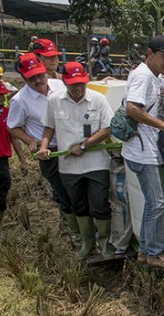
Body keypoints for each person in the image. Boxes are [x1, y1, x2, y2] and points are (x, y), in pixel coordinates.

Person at [37, 62, 114, 259]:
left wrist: (83, 146)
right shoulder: (54, 100)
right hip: (69, 166)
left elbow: (106, 128)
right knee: (78, 205)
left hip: (96, 163)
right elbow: (49, 128)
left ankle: (105, 242)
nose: (79, 89)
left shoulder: (98, 99)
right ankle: (88, 243)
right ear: (65, 82)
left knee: (99, 203)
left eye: (82, 84)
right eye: (74, 85)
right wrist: (44, 147)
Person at [121, 35, 164, 269]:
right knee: (156, 203)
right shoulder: (144, 76)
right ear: (150, 53)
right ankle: (155, 253)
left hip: (144, 147)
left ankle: (145, 251)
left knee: (151, 202)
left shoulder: (153, 76)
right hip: (141, 151)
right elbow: (132, 109)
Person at [7, 54, 78, 243]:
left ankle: (82, 228)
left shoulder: (59, 86)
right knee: (63, 192)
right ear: (23, 78)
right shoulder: (20, 100)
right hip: (50, 152)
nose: (38, 80)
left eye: (40, 75)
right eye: (32, 78)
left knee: (78, 189)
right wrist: (31, 141)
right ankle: (72, 230)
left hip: (72, 147)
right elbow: (12, 126)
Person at [0, 79, 26, 238]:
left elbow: (14, 138)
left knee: (1, 195)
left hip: (1, 162)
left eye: (3, 95)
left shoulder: (7, 114)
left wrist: (22, 160)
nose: (2, 98)